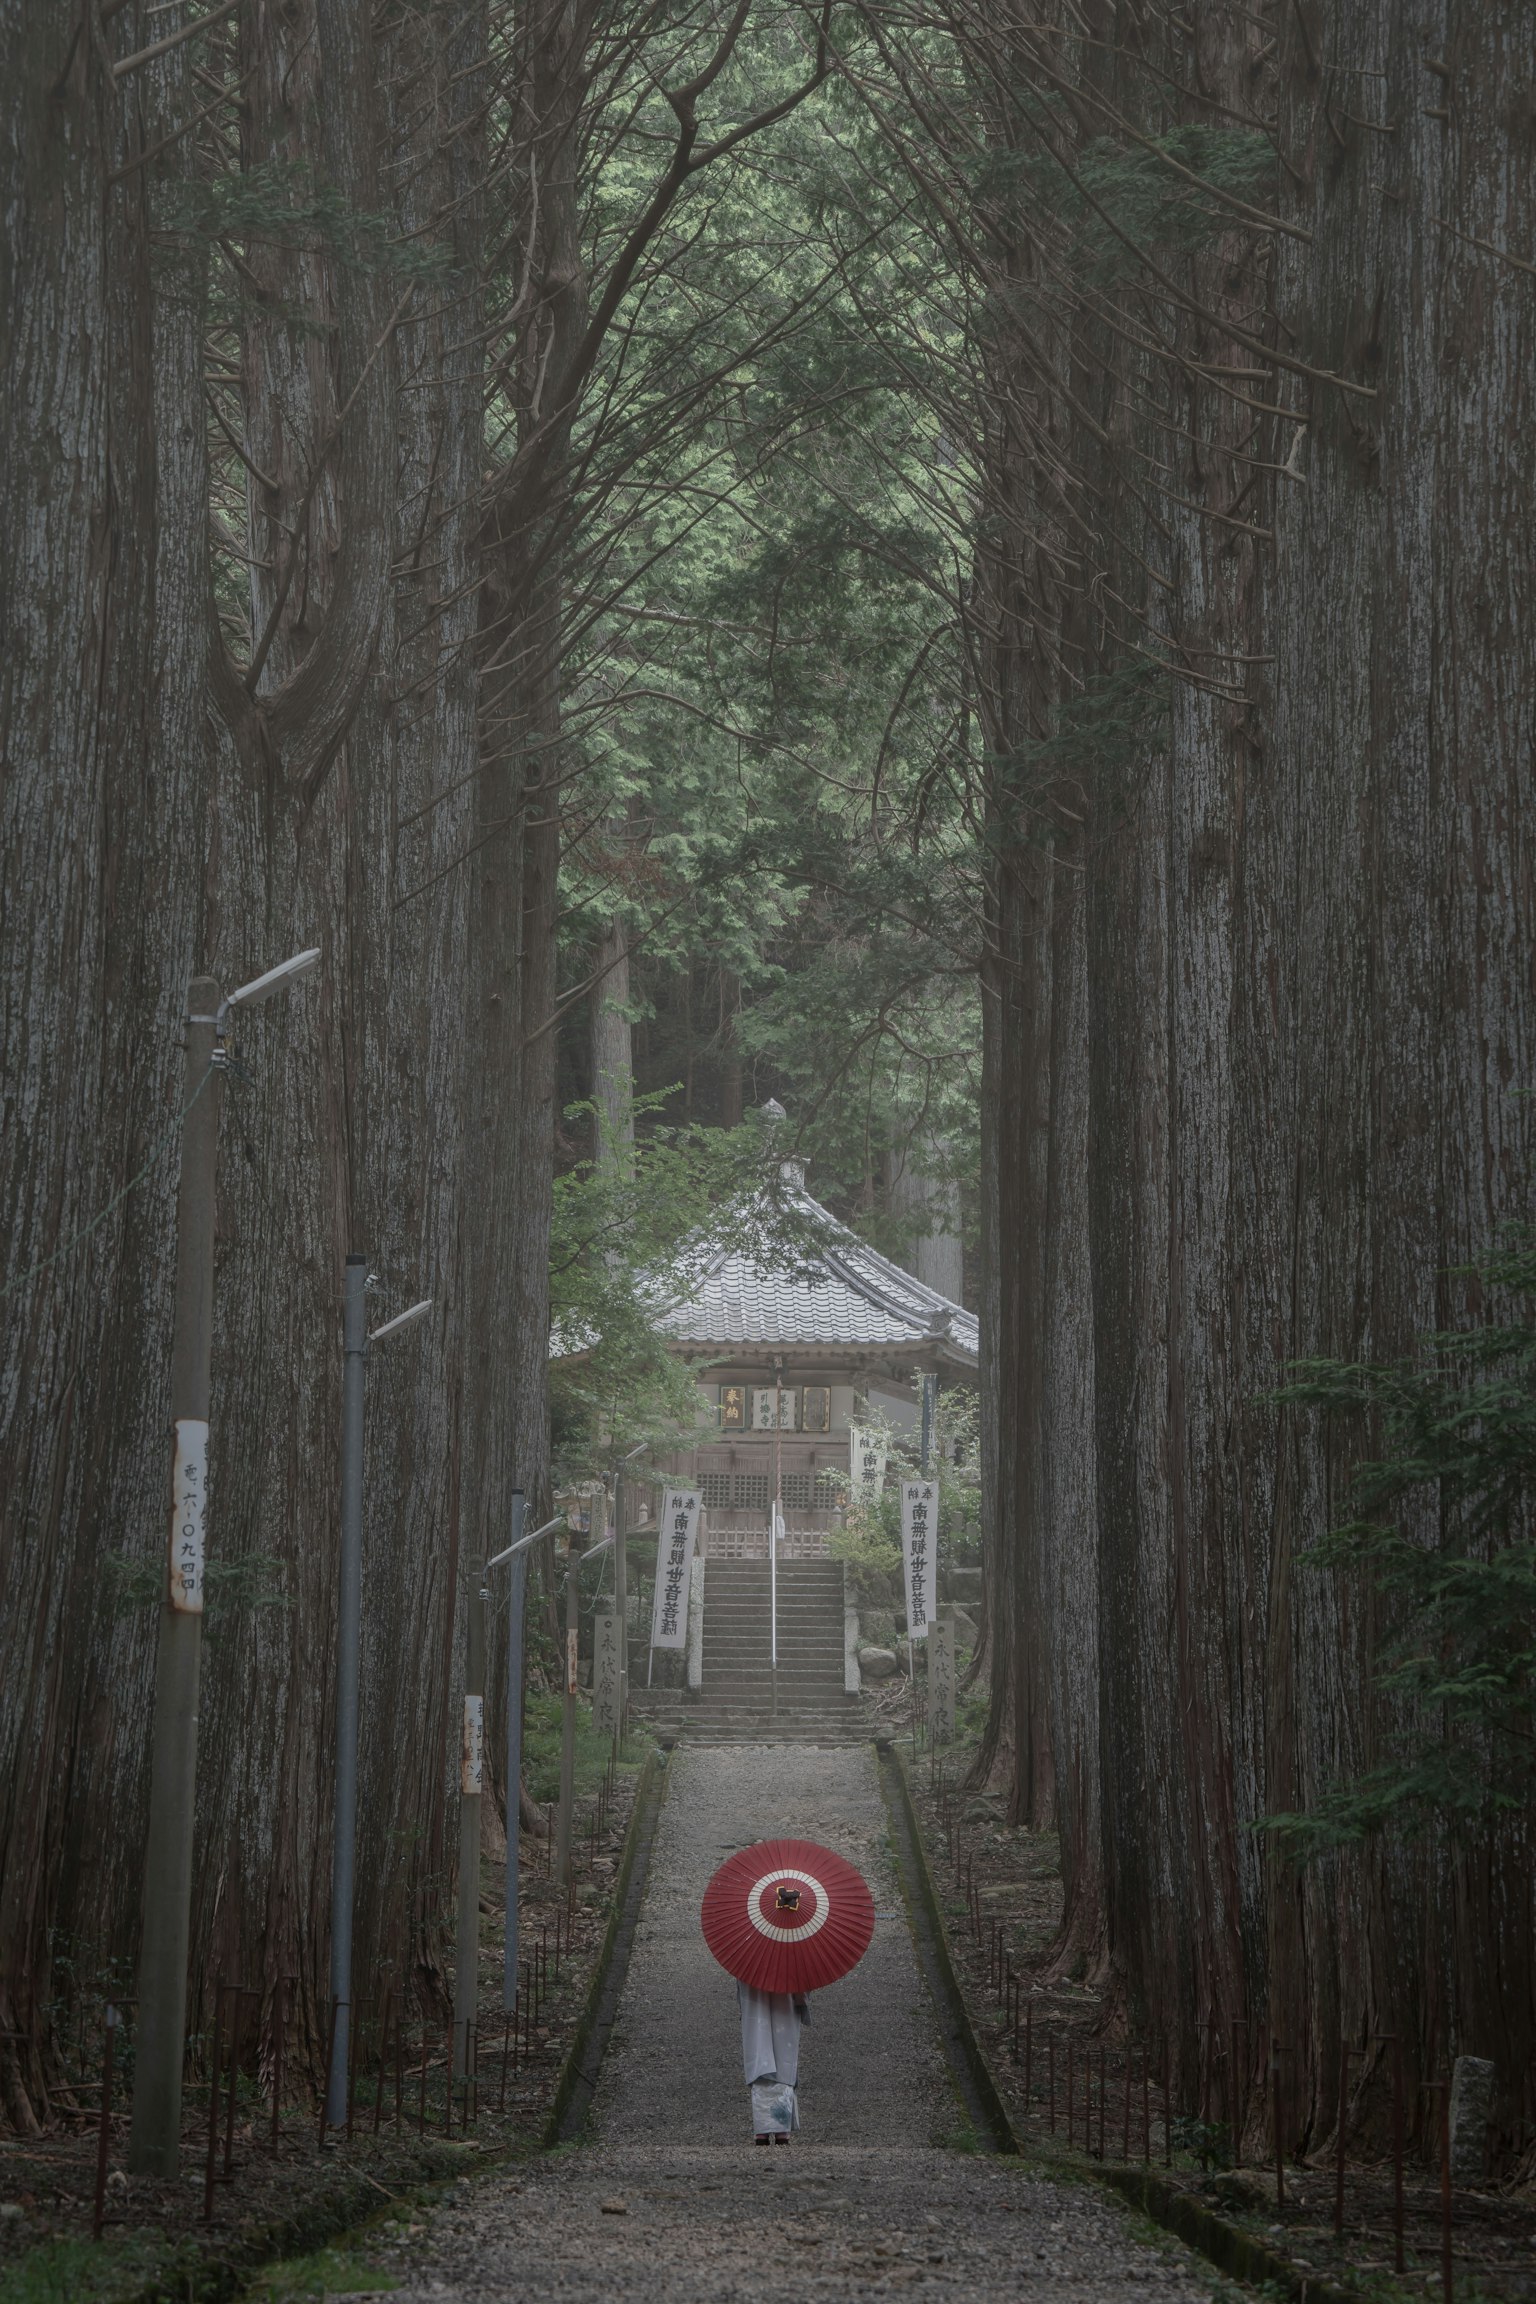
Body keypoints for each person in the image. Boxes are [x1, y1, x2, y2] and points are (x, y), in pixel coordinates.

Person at [738, 1981, 810, 2143]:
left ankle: (762, 2131)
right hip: (786, 2004)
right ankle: (781, 2130)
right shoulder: (793, 1956)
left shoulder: (748, 1958)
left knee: (759, 2056)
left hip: (754, 2002)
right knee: (784, 2060)